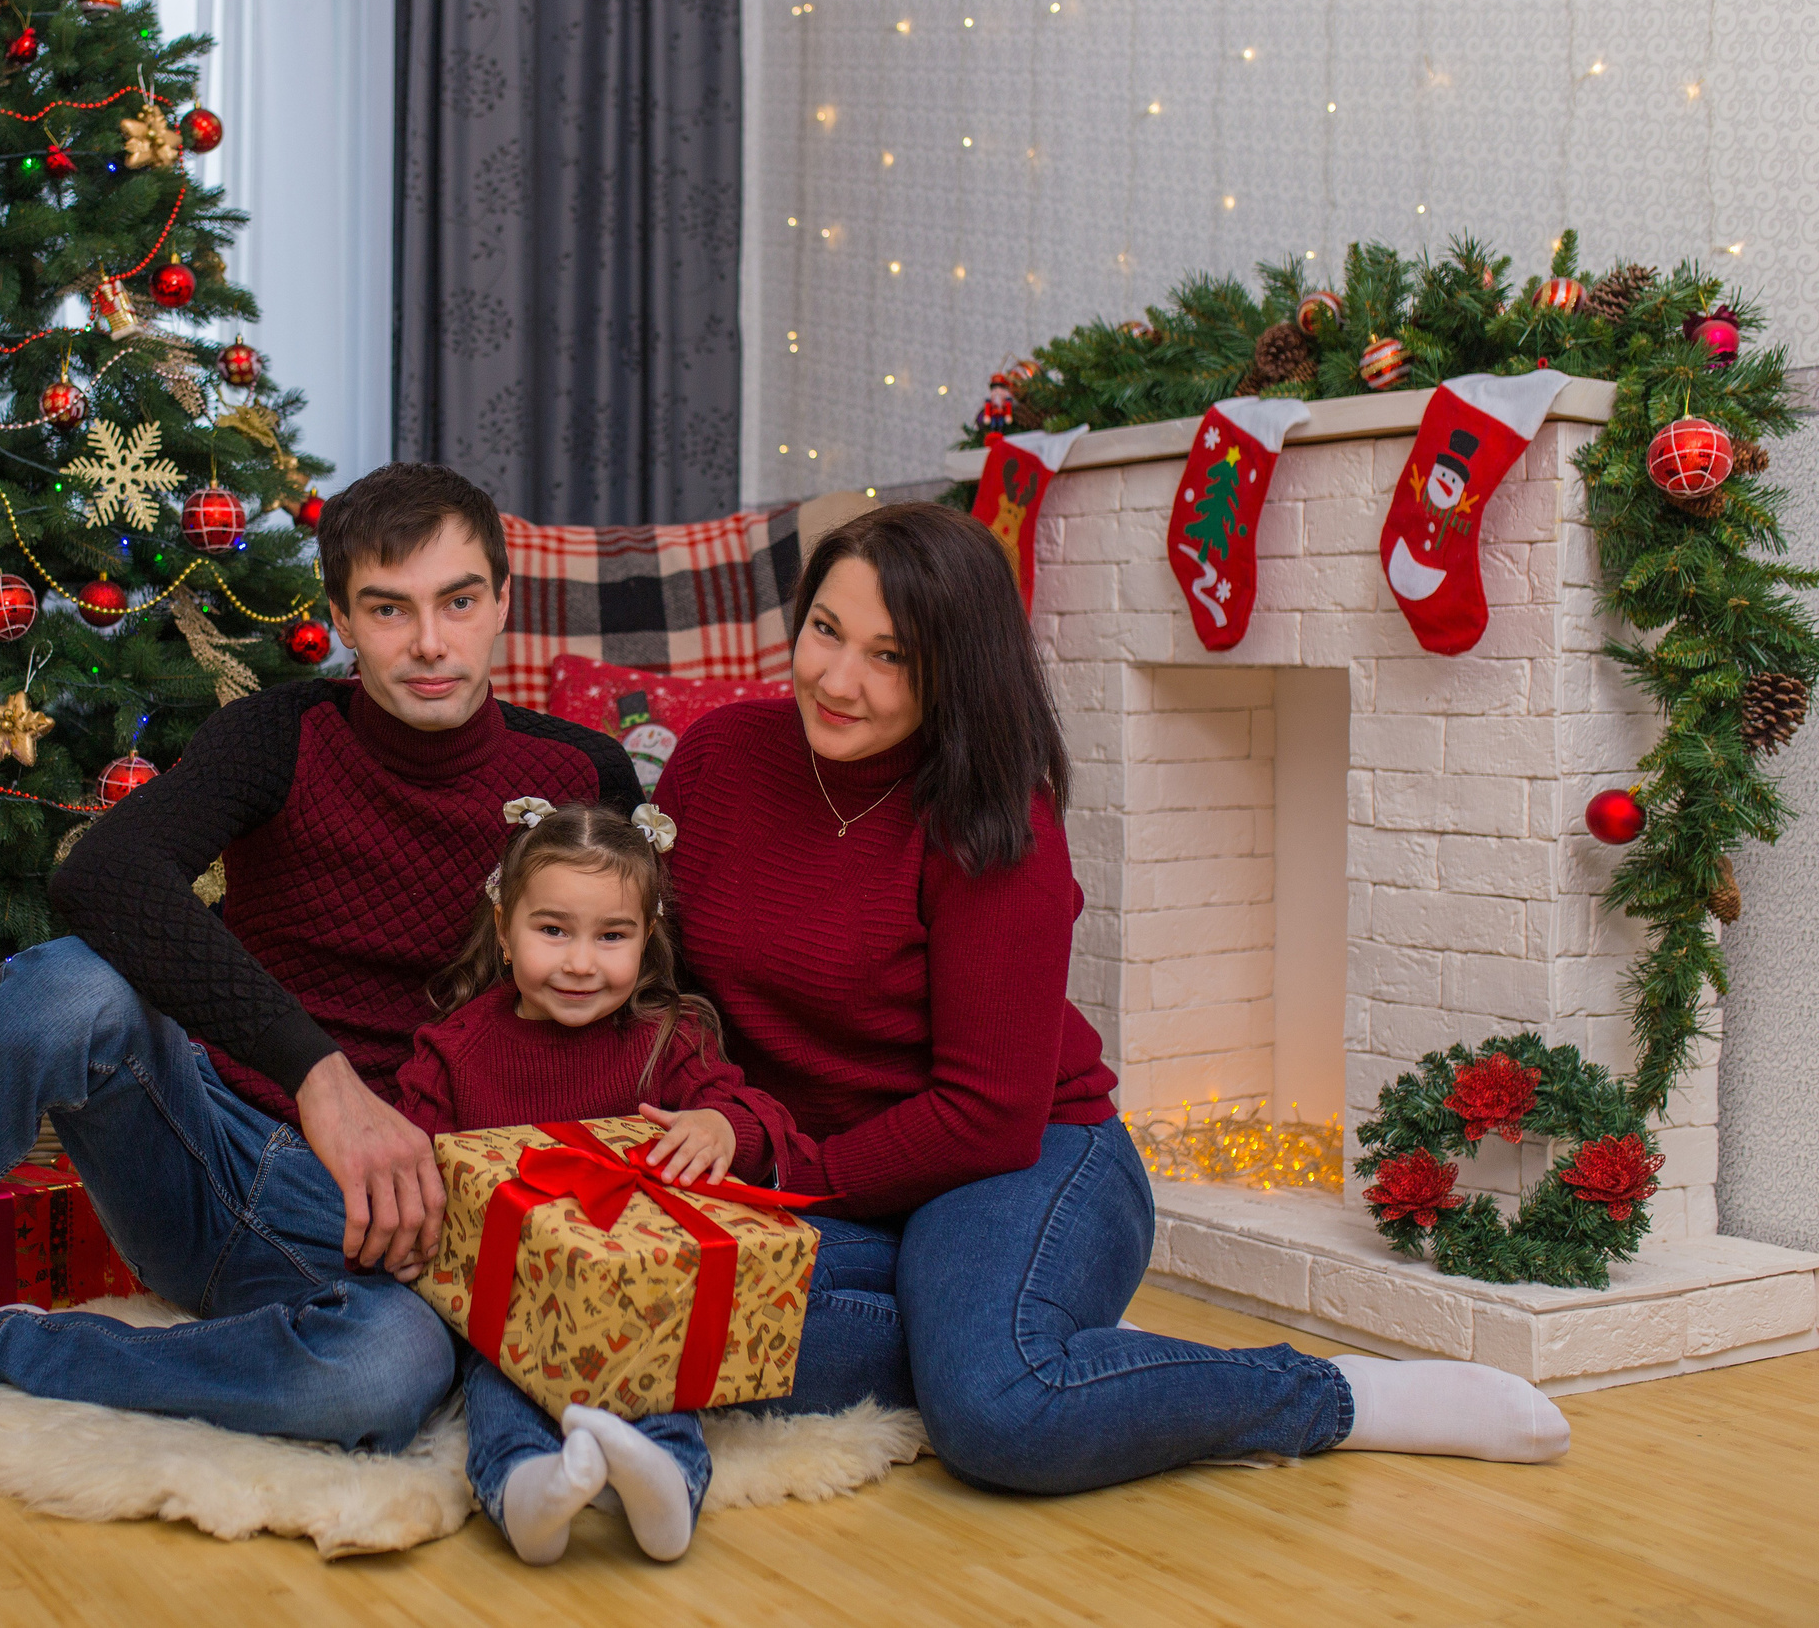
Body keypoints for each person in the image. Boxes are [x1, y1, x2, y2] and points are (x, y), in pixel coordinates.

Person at [0, 464, 642, 1459]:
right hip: (208, 1153)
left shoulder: (579, 775)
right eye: (388, 608)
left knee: (382, 1381)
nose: (428, 644)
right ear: (345, 619)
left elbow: (630, 991)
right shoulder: (283, 733)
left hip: (402, 1222)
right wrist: (320, 1077)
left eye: (458, 602)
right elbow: (103, 876)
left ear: (504, 600)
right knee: (68, 987)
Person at [655, 500, 1571, 1491]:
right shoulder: (718, 760)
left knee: (1001, 1415)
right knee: (659, 1318)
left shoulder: (991, 820)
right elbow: (663, 992)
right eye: (825, 632)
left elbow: (984, 1115)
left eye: (892, 656)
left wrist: (790, 1177)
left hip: (1017, 1160)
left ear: (955, 671)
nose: (836, 681)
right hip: (828, 1180)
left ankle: (1328, 1395)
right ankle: (1013, 1330)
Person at [394, 799, 795, 1565]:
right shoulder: (455, 1051)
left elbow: (762, 1116)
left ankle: (667, 1488)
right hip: (504, 1308)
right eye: (554, 931)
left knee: (657, 1374)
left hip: (640, 1298)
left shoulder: (667, 1039)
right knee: (501, 1378)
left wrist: (722, 1126)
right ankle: (526, 1492)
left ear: (647, 944)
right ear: (505, 931)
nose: (582, 962)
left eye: (612, 936)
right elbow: (411, 1166)